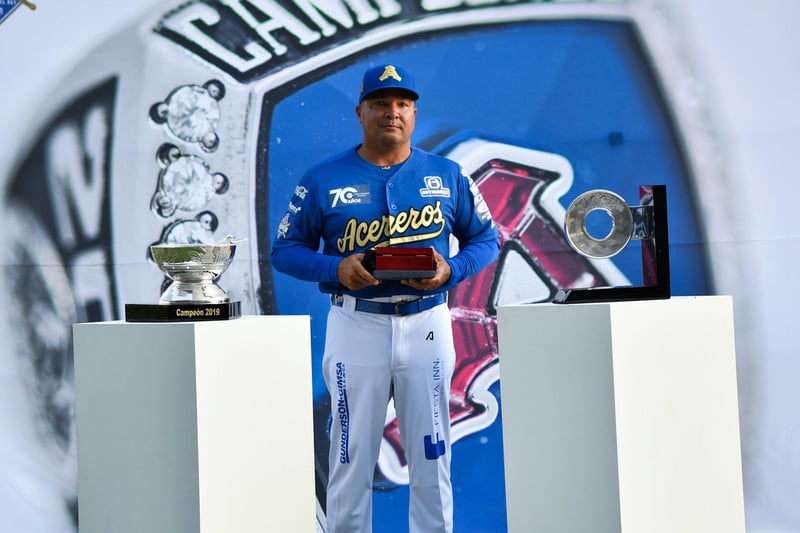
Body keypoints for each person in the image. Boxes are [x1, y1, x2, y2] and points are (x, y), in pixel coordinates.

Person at [271, 63, 499, 533]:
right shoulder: (323, 178)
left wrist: (450, 270)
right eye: (380, 103)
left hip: (427, 324)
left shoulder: (447, 174)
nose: (390, 113)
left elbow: (487, 240)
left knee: (432, 456)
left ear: (414, 113)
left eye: (401, 104)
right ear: (360, 112)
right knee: (350, 455)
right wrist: (334, 268)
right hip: (357, 323)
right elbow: (285, 250)